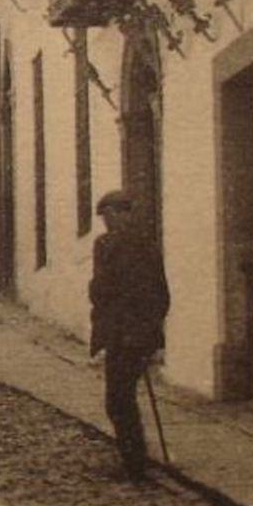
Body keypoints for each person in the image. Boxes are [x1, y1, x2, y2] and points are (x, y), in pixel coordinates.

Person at [89, 190, 171, 481]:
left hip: (130, 334)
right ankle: (134, 458)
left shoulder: (133, 247)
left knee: (118, 399)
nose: (108, 222)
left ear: (125, 214)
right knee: (120, 397)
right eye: (105, 218)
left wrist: (146, 332)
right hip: (124, 332)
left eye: (111, 215)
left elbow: (155, 294)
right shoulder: (118, 245)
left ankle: (135, 462)